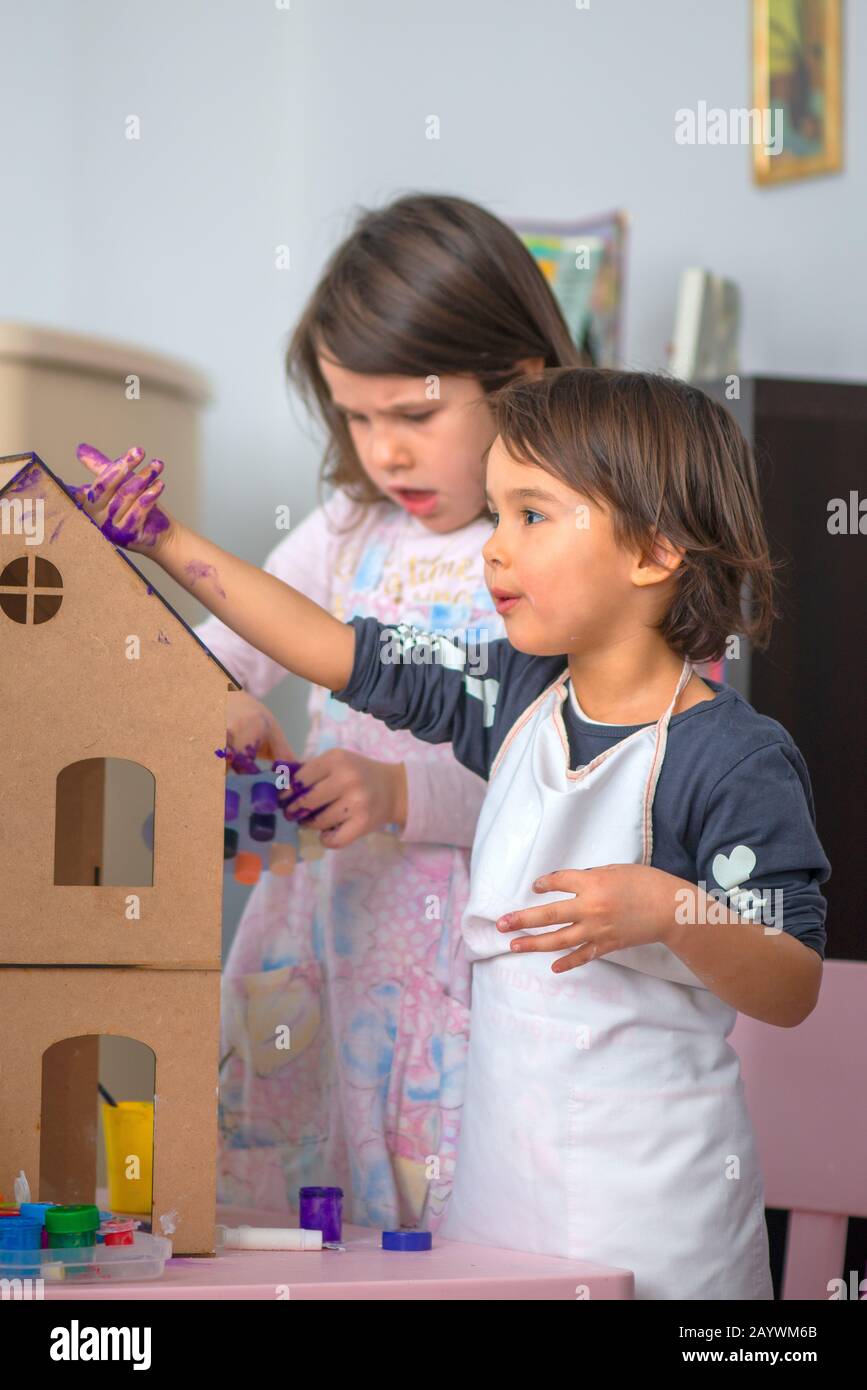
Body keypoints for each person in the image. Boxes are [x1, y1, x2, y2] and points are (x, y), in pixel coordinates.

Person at [73, 365, 829, 1298]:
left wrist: (671, 910)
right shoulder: (508, 695)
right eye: (497, 514)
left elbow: (792, 981)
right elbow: (331, 646)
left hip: (660, 1223)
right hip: (498, 1216)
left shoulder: (733, 757)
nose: (493, 552)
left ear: (653, 550)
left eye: (532, 516)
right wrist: (161, 537)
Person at [77, 192, 583, 1231]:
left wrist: (401, 788)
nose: (384, 452)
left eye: (413, 415)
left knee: (432, 1214)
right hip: (313, 936)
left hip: (457, 956)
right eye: (356, 416)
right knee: (285, 1203)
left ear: (521, 383)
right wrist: (223, 707)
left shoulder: (547, 546)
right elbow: (219, 655)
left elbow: (559, 770)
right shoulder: (346, 529)